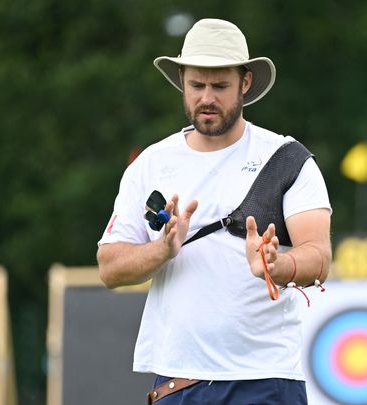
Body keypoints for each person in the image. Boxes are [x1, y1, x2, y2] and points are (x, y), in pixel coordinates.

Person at [97, 18, 331, 404]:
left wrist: (278, 266)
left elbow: (319, 257)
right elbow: (109, 268)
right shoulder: (150, 163)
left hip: (266, 378)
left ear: (245, 83)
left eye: (220, 86)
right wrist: (163, 249)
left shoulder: (287, 159)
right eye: (196, 85)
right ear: (182, 83)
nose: (207, 97)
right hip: (180, 382)